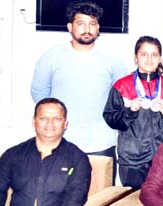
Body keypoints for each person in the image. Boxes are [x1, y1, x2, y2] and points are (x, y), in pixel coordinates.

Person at [31, 1, 126, 170]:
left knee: (102, 195)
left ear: (98, 28)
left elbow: (123, 97)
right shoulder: (52, 58)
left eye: (92, 24)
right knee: (59, 195)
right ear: (70, 27)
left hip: (101, 143)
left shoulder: (112, 60)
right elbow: (40, 95)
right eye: (80, 24)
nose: (87, 29)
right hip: (61, 142)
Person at [103, 36, 163, 189]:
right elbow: (110, 118)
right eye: (144, 54)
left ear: (160, 58)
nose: (149, 59)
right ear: (135, 57)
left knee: (162, 205)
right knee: (133, 205)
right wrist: (130, 112)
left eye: (154, 55)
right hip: (133, 159)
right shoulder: (122, 86)